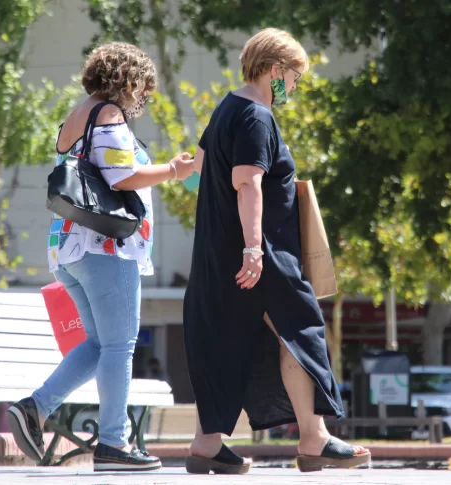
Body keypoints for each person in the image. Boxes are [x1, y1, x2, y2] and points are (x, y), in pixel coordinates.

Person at [182, 28, 371, 474]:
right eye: (294, 77)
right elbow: (247, 182)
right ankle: (314, 438)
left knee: (228, 340)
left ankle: (207, 444)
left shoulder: (227, 108)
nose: (295, 86)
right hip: (263, 255)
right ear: (273, 69)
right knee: (300, 329)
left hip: (218, 252)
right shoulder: (256, 116)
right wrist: (253, 248)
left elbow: (197, 172)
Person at [6, 42, 194, 472]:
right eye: (143, 88)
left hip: (69, 247)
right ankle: (113, 443)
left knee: (99, 344)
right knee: (120, 346)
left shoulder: (78, 114)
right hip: (105, 246)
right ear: (126, 81)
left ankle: (35, 408)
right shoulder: (108, 113)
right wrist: (173, 171)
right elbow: (122, 176)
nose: (143, 98)